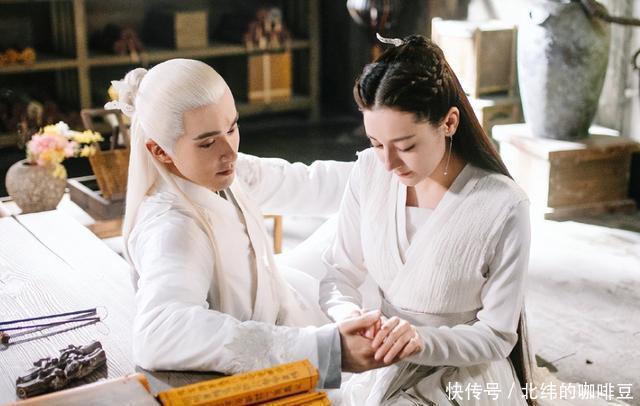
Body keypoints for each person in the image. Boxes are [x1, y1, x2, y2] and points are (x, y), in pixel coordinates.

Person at [104, 58, 404, 389]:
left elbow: (306, 183)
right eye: (207, 142)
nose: (229, 151)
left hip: (281, 290)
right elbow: (160, 333)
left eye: (232, 128)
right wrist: (328, 349)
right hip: (274, 332)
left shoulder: (221, 169)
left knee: (367, 215)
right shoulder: (172, 228)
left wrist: (399, 169)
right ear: (160, 151)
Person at [319, 34, 535, 405]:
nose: (388, 163)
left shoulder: (504, 205)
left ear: (449, 122)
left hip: (464, 376)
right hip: (383, 362)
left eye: (406, 146)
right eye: (376, 143)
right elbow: (339, 274)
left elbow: (497, 335)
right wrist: (351, 319)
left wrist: (422, 341)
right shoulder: (369, 171)